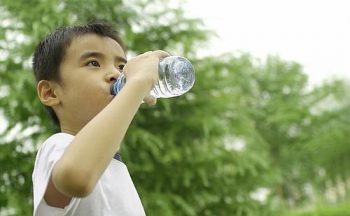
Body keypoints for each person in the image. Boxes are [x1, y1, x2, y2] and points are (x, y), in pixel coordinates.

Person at [31, 20, 169, 215]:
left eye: (122, 67)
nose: (115, 74)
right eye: (93, 63)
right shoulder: (60, 145)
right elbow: (76, 177)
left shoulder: (117, 169)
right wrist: (139, 82)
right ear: (50, 93)